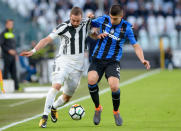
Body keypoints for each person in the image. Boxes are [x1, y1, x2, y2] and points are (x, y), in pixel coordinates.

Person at [20, 7, 95, 128]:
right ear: (70, 17)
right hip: (63, 61)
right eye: (73, 20)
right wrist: (33, 50)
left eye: (77, 21)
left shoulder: (86, 23)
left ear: (81, 18)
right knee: (56, 86)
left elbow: (92, 34)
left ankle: (54, 107)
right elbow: (46, 40)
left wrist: (96, 33)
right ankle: (44, 117)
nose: (75, 23)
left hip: (78, 66)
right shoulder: (63, 26)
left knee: (67, 97)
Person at [87, 5, 150, 126]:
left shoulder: (126, 27)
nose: (112, 20)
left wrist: (142, 59)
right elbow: (89, 29)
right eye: (111, 17)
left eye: (115, 19)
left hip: (112, 61)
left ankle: (116, 111)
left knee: (114, 86)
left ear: (121, 16)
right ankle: (98, 108)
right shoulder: (102, 20)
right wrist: (90, 21)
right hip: (97, 59)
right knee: (91, 80)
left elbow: (135, 45)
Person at [0, 19, 19, 91]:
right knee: (6, 71)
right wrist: (8, 50)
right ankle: (4, 88)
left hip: (13, 55)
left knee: (14, 71)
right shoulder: (3, 33)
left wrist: (16, 54)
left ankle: (16, 87)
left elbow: (14, 45)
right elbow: (1, 44)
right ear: (6, 24)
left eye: (12, 24)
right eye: (10, 24)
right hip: (6, 55)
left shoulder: (12, 33)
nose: (11, 25)